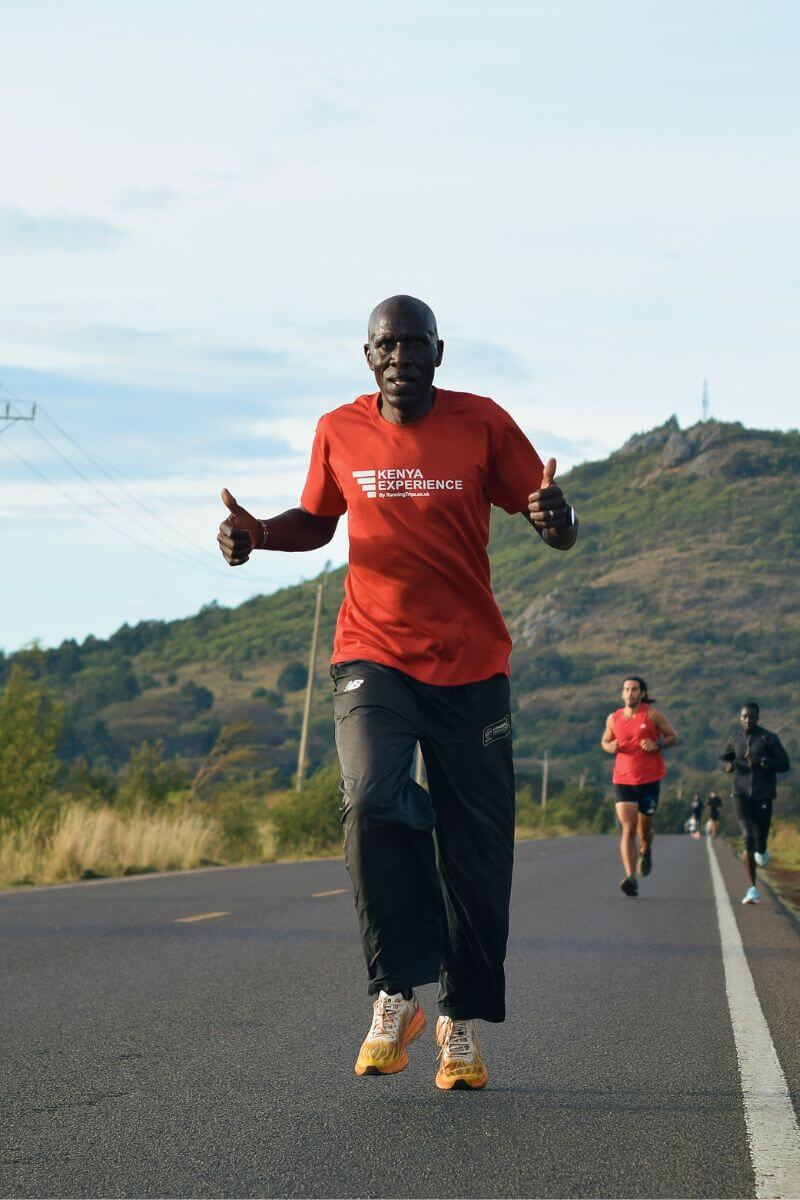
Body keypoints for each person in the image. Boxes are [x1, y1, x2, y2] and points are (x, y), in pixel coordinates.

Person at [217, 295, 579, 1090]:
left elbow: (548, 518)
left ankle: (459, 1021)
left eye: (415, 344)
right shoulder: (338, 429)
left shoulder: (482, 423)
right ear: (368, 354)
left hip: (473, 664)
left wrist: (557, 515)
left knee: (476, 856)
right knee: (374, 798)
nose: (401, 356)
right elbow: (318, 519)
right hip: (372, 654)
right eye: (388, 345)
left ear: (439, 353)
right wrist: (258, 534)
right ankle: (393, 992)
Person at [601, 676, 678, 896]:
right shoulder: (614, 718)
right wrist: (610, 746)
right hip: (623, 779)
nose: (630, 693)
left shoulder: (652, 715)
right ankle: (630, 877)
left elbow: (673, 736)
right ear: (622, 693)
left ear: (642, 693)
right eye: (626, 689)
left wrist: (658, 744)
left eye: (634, 689)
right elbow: (604, 741)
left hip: (650, 780)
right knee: (628, 826)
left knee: (644, 831)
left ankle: (646, 849)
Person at [719, 702, 791, 905]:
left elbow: (785, 764)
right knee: (747, 837)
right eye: (744, 717)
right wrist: (727, 766)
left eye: (751, 717)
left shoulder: (769, 738)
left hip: (764, 795)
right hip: (740, 793)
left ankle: (762, 850)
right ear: (740, 718)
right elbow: (722, 758)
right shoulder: (735, 738)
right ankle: (752, 889)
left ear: (758, 718)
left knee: (760, 843)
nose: (747, 720)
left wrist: (764, 761)